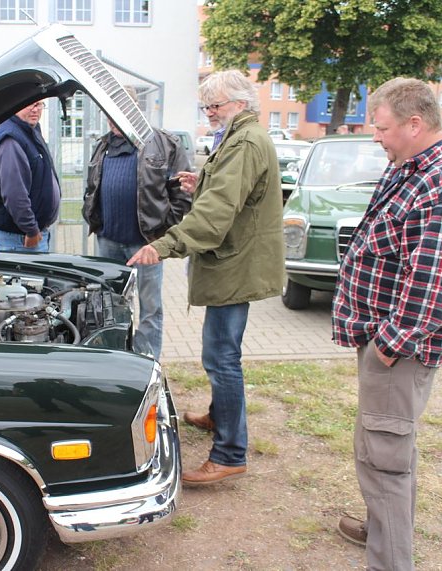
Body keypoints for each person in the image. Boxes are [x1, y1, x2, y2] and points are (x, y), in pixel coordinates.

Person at [331, 77, 442, 571]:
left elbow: (436, 286)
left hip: (401, 348)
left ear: (415, 124)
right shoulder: (411, 165)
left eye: (383, 127)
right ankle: (382, 527)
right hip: (387, 341)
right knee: (384, 452)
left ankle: (390, 558)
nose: (377, 136)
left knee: (384, 462)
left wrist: (388, 345)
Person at [128, 70, 285, 486]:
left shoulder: (246, 141)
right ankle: (220, 418)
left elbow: (216, 215)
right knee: (220, 351)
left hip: (236, 263)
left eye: (215, 106)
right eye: (207, 107)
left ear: (239, 104)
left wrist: (162, 245)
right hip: (233, 261)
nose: (210, 113)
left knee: (222, 357)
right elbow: (232, 194)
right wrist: (204, 182)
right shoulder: (240, 138)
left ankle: (230, 453)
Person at [82, 120, 192, 359]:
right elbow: (92, 186)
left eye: (116, 115)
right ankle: (111, 357)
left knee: (150, 307)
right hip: (107, 241)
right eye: (107, 117)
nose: (111, 122)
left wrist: (163, 228)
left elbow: (182, 191)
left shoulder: (162, 143)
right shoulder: (103, 144)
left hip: (146, 244)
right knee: (107, 302)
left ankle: (148, 360)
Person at [0, 100, 60, 252]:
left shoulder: (29, 130)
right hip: (21, 240)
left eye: (39, 105)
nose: (36, 110)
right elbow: (14, 194)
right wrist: (31, 229)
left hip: (27, 235)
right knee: (27, 276)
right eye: (30, 105)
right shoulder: (12, 139)